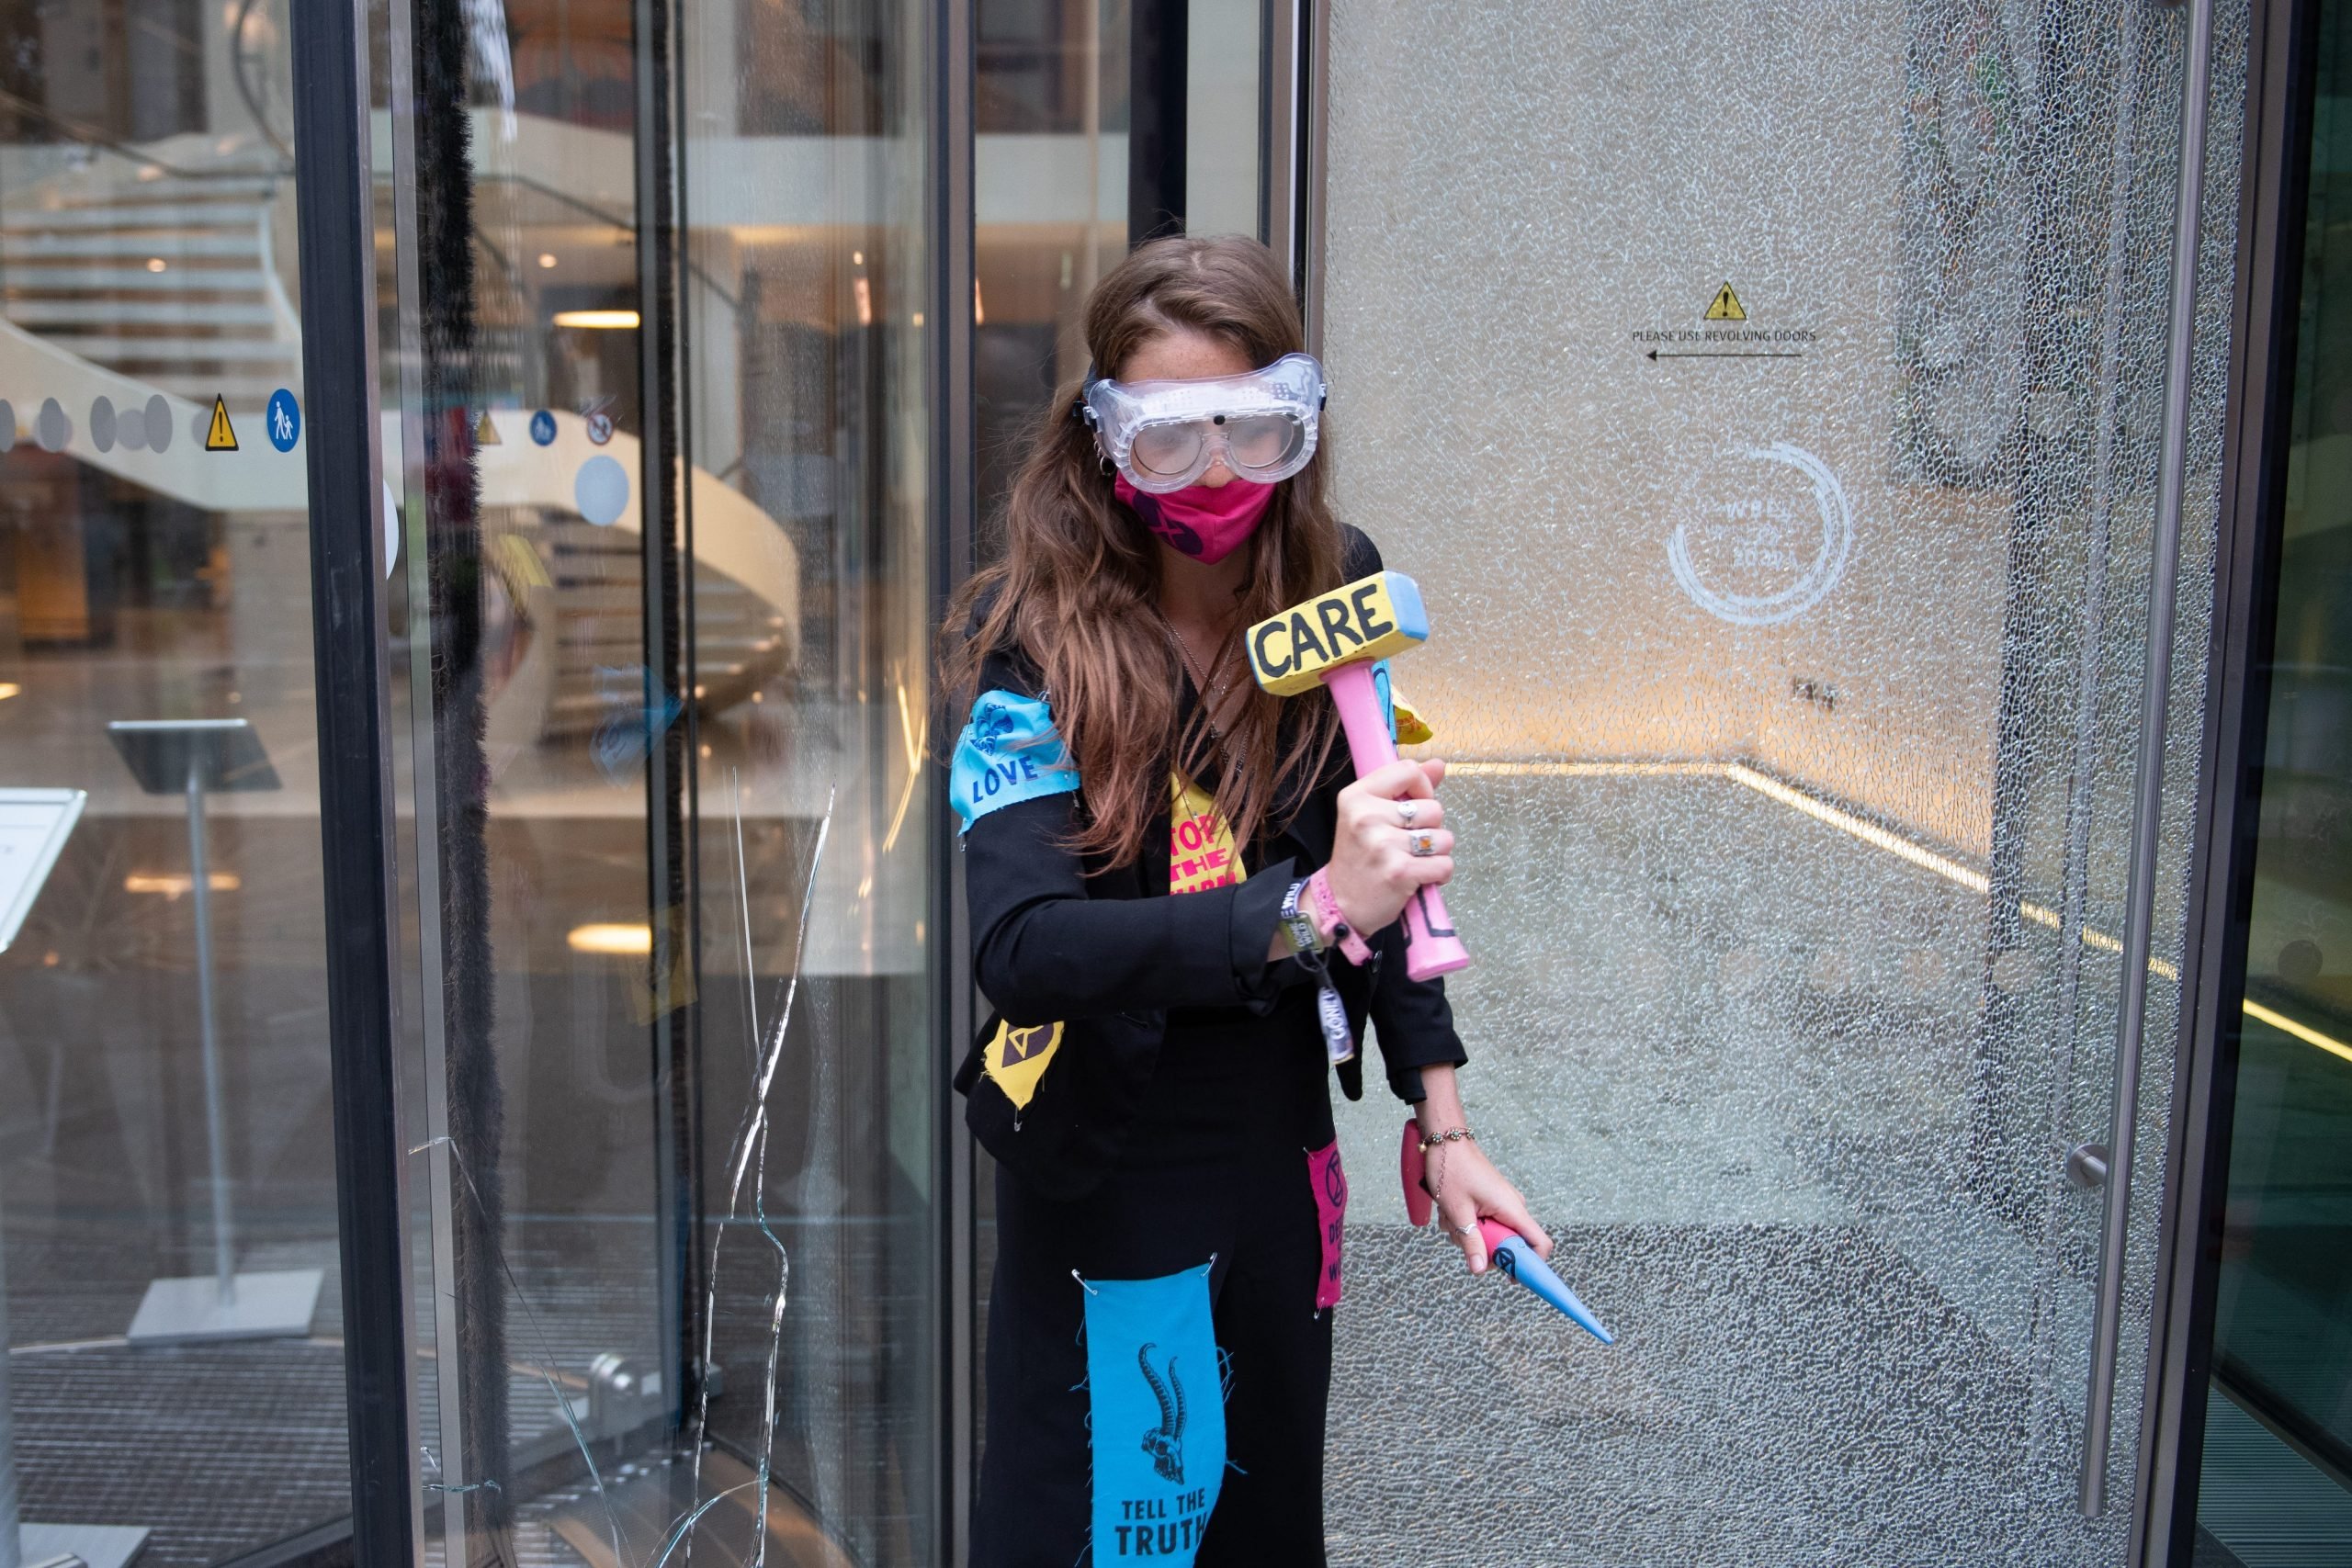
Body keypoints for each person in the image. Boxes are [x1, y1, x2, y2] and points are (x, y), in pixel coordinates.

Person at [943, 234, 1550, 1568]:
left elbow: (1379, 870)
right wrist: (1303, 909)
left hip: (1278, 1155)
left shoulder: (1339, 586)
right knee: (1112, 1519)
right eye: (1171, 438)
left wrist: (1441, 1120)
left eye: (1255, 430)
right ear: (1105, 440)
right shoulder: (1032, 640)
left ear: (1303, 425)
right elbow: (1023, 947)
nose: (1218, 474)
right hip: (1109, 1152)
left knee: (1261, 1522)